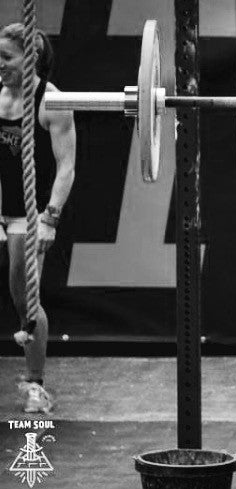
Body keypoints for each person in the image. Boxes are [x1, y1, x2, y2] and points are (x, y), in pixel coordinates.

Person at [0, 23, 76, 413]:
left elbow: (66, 168)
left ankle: (35, 385)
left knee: (26, 299)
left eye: (6, 58)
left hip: (28, 216)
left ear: (30, 59)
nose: (0, 65)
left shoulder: (52, 101)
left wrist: (50, 218)